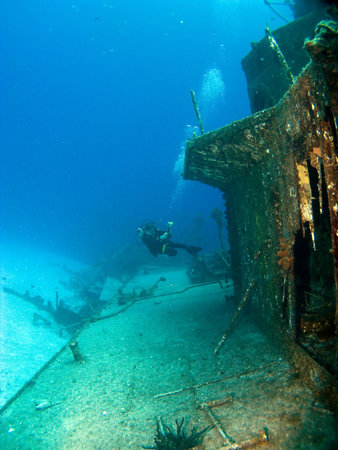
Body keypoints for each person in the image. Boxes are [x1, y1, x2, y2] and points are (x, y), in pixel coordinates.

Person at [137, 221, 202, 257]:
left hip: (165, 243)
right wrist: (160, 238)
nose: (153, 232)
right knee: (174, 252)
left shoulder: (156, 231)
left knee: (183, 245)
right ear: (146, 231)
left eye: (154, 230)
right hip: (158, 249)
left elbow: (167, 234)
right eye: (151, 231)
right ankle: (164, 257)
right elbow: (152, 242)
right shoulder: (145, 237)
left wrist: (169, 229)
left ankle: (192, 251)